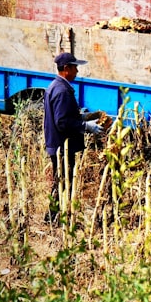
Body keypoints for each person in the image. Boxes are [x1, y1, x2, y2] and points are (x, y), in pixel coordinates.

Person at [44, 51, 105, 223]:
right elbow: (62, 122)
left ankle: (55, 216)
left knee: (61, 180)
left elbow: (63, 116)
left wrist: (83, 117)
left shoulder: (56, 87)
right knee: (63, 181)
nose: (77, 71)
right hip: (61, 145)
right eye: (74, 67)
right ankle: (54, 217)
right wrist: (86, 126)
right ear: (66, 69)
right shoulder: (62, 91)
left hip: (58, 144)